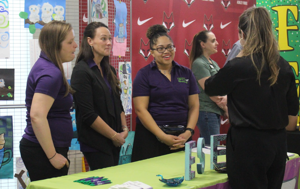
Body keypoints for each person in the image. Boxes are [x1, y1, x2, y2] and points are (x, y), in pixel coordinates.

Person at [204, 7, 298, 189]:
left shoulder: (239, 66)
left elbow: (211, 86)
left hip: (248, 146)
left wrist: (239, 54)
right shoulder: (284, 66)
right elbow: (291, 119)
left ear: (242, 34)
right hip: (277, 145)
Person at [131, 25, 199, 161]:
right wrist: (162, 136)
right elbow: (140, 109)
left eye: (169, 47)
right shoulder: (144, 74)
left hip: (181, 138)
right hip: (151, 138)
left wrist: (188, 132)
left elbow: (194, 106)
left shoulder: (186, 73)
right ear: (151, 52)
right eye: (160, 48)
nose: (166, 51)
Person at [20, 21, 77, 181]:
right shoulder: (51, 73)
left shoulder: (48, 67)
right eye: (70, 42)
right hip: (44, 151)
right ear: (55, 45)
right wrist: (52, 156)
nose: (75, 45)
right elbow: (37, 116)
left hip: (42, 148)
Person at [71, 22, 127, 170]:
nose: (108, 43)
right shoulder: (81, 71)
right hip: (96, 142)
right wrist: (114, 136)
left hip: (115, 139)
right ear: (90, 41)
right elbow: (88, 114)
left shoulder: (110, 70)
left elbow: (118, 103)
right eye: (103, 39)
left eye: (110, 38)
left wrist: (124, 128)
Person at [190, 30, 228, 146]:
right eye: (213, 41)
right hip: (207, 111)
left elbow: (221, 86)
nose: (217, 43)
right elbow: (210, 90)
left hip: (213, 111)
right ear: (203, 44)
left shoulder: (212, 62)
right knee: (213, 148)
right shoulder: (199, 63)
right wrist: (226, 108)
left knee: (207, 147)